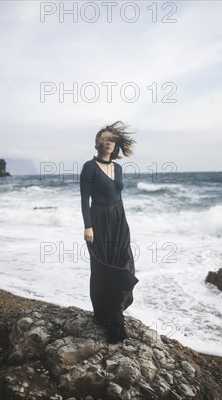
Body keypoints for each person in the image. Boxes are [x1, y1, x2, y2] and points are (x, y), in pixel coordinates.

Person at [80, 121, 139, 344]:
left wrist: (123, 222)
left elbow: (119, 196)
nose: (108, 143)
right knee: (103, 265)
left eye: (112, 140)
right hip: (99, 219)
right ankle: (104, 314)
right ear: (98, 143)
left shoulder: (119, 168)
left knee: (124, 260)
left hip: (119, 218)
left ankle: (117, 308)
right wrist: (88, 226)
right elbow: (84, 199)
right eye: (105, 139)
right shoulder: (89, 167)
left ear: (115, 146)